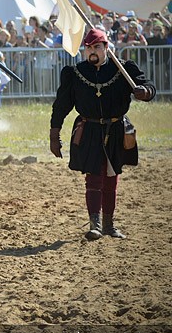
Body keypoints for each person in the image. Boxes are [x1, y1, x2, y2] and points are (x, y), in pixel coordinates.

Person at [50, 28, 156, 240]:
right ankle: (95, 225)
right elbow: (61, 105)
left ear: (106, 47)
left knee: (111, 177)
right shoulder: (75, 73)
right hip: (89, 130)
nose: (92, 51)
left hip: (116, 129)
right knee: (93, 177)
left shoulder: (124, 69)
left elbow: (149, 86)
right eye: (88, 47)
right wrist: (55, 134)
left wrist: (145, 92)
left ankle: (109, 225)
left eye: (97, 47)